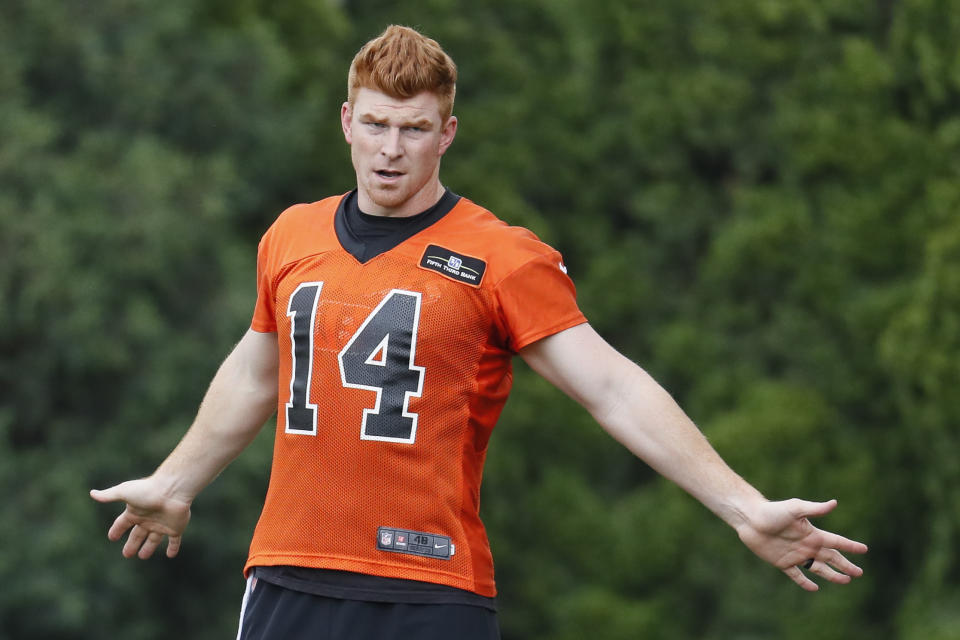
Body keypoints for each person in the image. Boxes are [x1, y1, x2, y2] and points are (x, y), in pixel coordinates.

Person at [90, 25, 867, 640]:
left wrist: (741, 506)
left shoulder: (500, 255)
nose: (392, 150)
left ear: (448, 133)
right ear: (346, 122)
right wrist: (175, 481)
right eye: (377, 124)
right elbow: (258, 370)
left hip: (430, 590)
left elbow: (610, 386)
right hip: (290, 578)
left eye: (415, 129)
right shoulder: (291, 236)